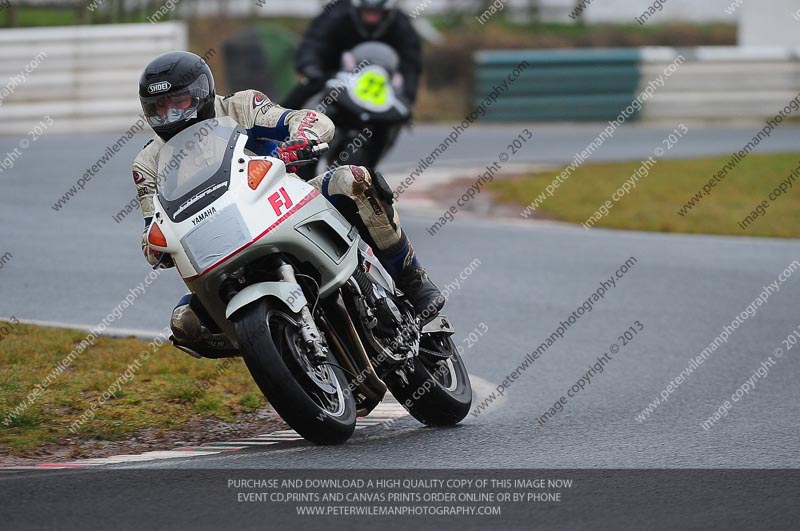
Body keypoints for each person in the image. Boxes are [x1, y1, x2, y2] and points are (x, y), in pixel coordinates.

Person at [133, 51, 443, 358]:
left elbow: (305, 118)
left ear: (200, 94)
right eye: (160, 108)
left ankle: (411, 279)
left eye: (179, 103)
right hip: (219, 244)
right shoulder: (148, 164)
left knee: (354, 180)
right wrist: (155, 245)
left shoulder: (240, 106)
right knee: (185, 323)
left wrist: (302, 139)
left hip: (285, 204)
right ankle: (275, 349)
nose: (170, 115)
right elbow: (153, 222)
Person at [283, 0, 422, 111]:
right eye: (368, 13)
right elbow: (314, 42)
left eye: (376, 14)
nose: (371, 18)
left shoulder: (401, 24)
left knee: (398, 112)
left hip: (379, 84)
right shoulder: (336, 13)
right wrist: (310, 67)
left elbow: (411, 62)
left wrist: (407, 95)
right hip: (333, 76)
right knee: (306, 87)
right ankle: (275, 127)